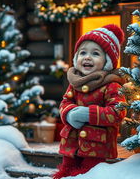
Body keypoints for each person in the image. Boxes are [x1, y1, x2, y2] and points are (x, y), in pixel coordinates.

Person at [53, 24, 126, 178]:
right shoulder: (75, 83)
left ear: (107, 62)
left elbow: (117, 112)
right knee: (65, 173)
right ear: (76, 58)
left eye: (95, 53)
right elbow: (64, 103)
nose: (87, 57)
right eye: (83, 52)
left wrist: (88, 114)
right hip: (71, 143)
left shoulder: (111, 85)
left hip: (97, 146)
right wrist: (69, 114)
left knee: (89, 175)